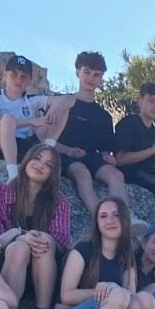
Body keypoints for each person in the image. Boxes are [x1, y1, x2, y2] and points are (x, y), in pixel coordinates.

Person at [0, 142, 73, 309]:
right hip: (6, 268)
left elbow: (61, 241)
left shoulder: (58, 201)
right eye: (37, 158)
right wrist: (19, 236)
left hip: (44, 274)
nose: (40, 165)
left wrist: (28, 235)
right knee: (19, 247)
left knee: (43, 241)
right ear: (26, 160)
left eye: (48, 164)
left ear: (53, 173)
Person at [46, 51, 122, 214]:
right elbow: (45, 138)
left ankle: (122, 218)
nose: (91, 78)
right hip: (65, 155)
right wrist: (66, 150)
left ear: (101, 78)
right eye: (87, 72)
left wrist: (108, 157)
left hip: (92, 158)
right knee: (82, 173)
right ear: (77, 72)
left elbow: (105, 150)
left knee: (116, 175)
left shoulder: (104, 116)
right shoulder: (62, 103)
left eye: (96, 74)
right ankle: (99, 217)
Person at [0, 55, 57, 178]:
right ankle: (12, 175)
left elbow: (66, 101)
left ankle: (49, 151)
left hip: (24, 146)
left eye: (23, 76)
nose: (18, 79)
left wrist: (52, 112)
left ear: (29, 81)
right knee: (7, 119)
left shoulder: (31, 100)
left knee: (57, 112)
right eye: (14, 74)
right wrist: (33, 122)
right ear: (5, 75)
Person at [112, 81, 155, 196]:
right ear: (140, 102)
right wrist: (154, 150)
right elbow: (120, 159)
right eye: (151, 101)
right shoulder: (129, 123)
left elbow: (151, 165)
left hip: (146, 173)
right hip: (129, 174)